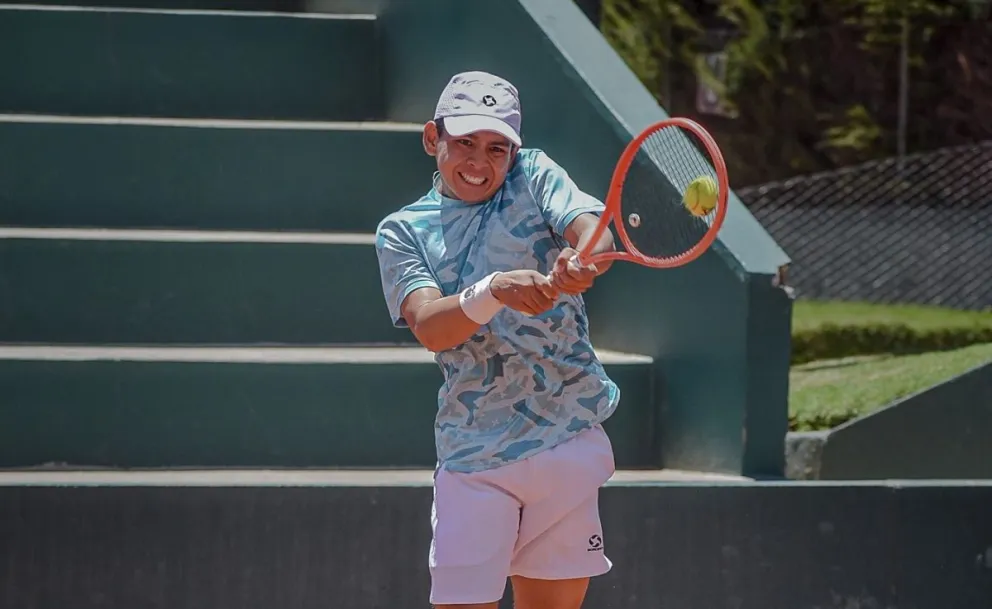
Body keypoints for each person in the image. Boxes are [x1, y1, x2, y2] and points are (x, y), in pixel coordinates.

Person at [374, 71, 620, 609]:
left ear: (514, 150)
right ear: (432, 138)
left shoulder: (533, 175)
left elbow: (592, 228)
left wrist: (584, 257)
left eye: (496, 148)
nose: (479, 163)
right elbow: (432, 328)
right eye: (464, 143)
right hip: (474, 455)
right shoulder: (402, 231)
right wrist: (494, 291)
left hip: (568, 437)